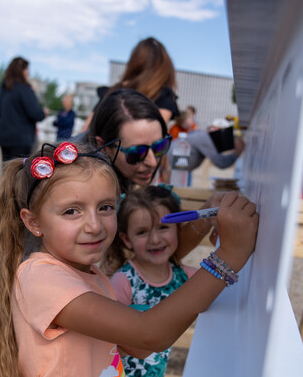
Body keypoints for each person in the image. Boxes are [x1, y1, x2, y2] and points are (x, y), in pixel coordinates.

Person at [0, 141, 258, 377]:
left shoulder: (90, 274)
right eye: (72, 211)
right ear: (33, 222)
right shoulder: (42, 277)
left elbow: (138, 345)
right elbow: (149, 334)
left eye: (105, 207)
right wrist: (228, 257)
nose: (94, 225)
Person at [104, 186, 197, 377]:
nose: (155, 239)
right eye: (142, 232)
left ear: (179, 229)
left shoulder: (184, 278)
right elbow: (106, 339)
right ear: (126, 239)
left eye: (163, 228)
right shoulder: (123, 281)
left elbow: (219, 284)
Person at [84, 89, 214, 259]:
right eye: (137, 152)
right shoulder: (88, 190)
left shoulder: (118, 173)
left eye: (160, 146)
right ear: (105, 147)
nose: (152, 162)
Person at [83, 37, 179, 131]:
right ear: (165, 67)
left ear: (135, 62)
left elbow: (86, 131)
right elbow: (155, 138)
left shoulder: (113, 91)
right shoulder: (163, 95)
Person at [0, 57, 47, 162]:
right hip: (21, 139)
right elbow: (35, 113)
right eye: (27, 70)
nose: (28, 73)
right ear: (21, 71)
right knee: (20, 173)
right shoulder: (24, 89)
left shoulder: (2, 90)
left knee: (7, 171)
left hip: (4, 136)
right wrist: (43, 113)